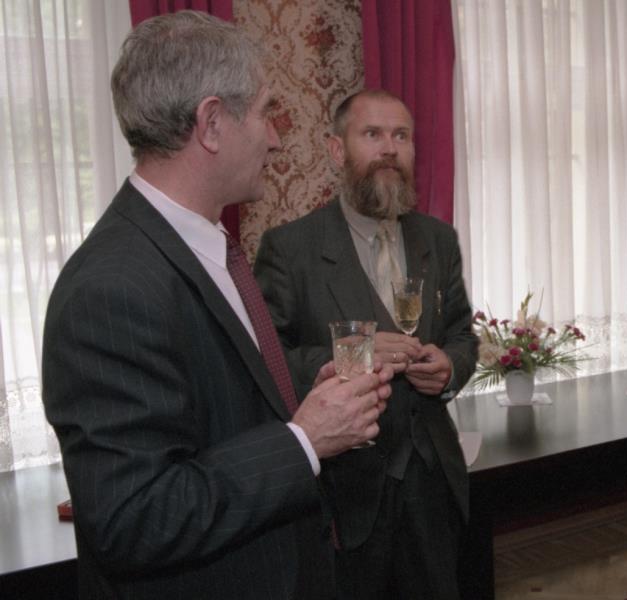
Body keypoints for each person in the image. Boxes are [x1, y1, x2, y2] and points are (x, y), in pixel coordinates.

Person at [40, 11, 391, 599]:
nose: (276, 137)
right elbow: (134, 519)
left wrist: (304, 392)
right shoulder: (110, 289)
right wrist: (304, 439)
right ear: (210, 123)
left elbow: (222, 396)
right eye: (264, 112)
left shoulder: (208, 248)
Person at [254, 89, 478, 600]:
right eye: (372, 134)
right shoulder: (290, 249)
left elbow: (463, 334)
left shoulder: (438, 239)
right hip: (344, 492)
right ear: (338, 150)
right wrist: (354, 355)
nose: (389, 148)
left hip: (433, 483)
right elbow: (267, 365)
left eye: (401, 136)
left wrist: (449, 367)